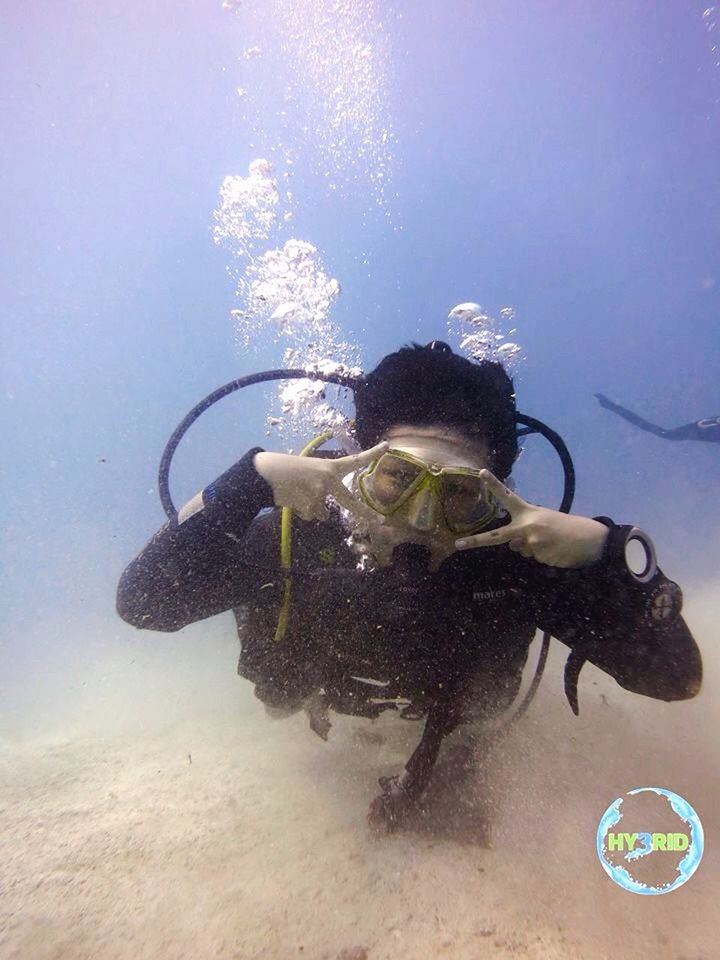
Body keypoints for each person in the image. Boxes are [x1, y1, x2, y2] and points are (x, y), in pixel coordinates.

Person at [117, 342, 702, 830]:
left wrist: (607, 556)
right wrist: (245, 484)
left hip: (460, 723)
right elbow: (143, 603)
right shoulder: (295, 536)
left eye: (460, 494)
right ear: (356, 463)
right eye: (399, 478)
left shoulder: (515, 557)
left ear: (496, 492)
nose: (421, 521)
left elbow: (676, 677)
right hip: (315, 702)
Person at [596, 393, 720, 443]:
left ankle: (611, 406)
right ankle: (611, 406)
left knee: (665, 433)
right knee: (666, 434)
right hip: (704, 430)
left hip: (703, 429)